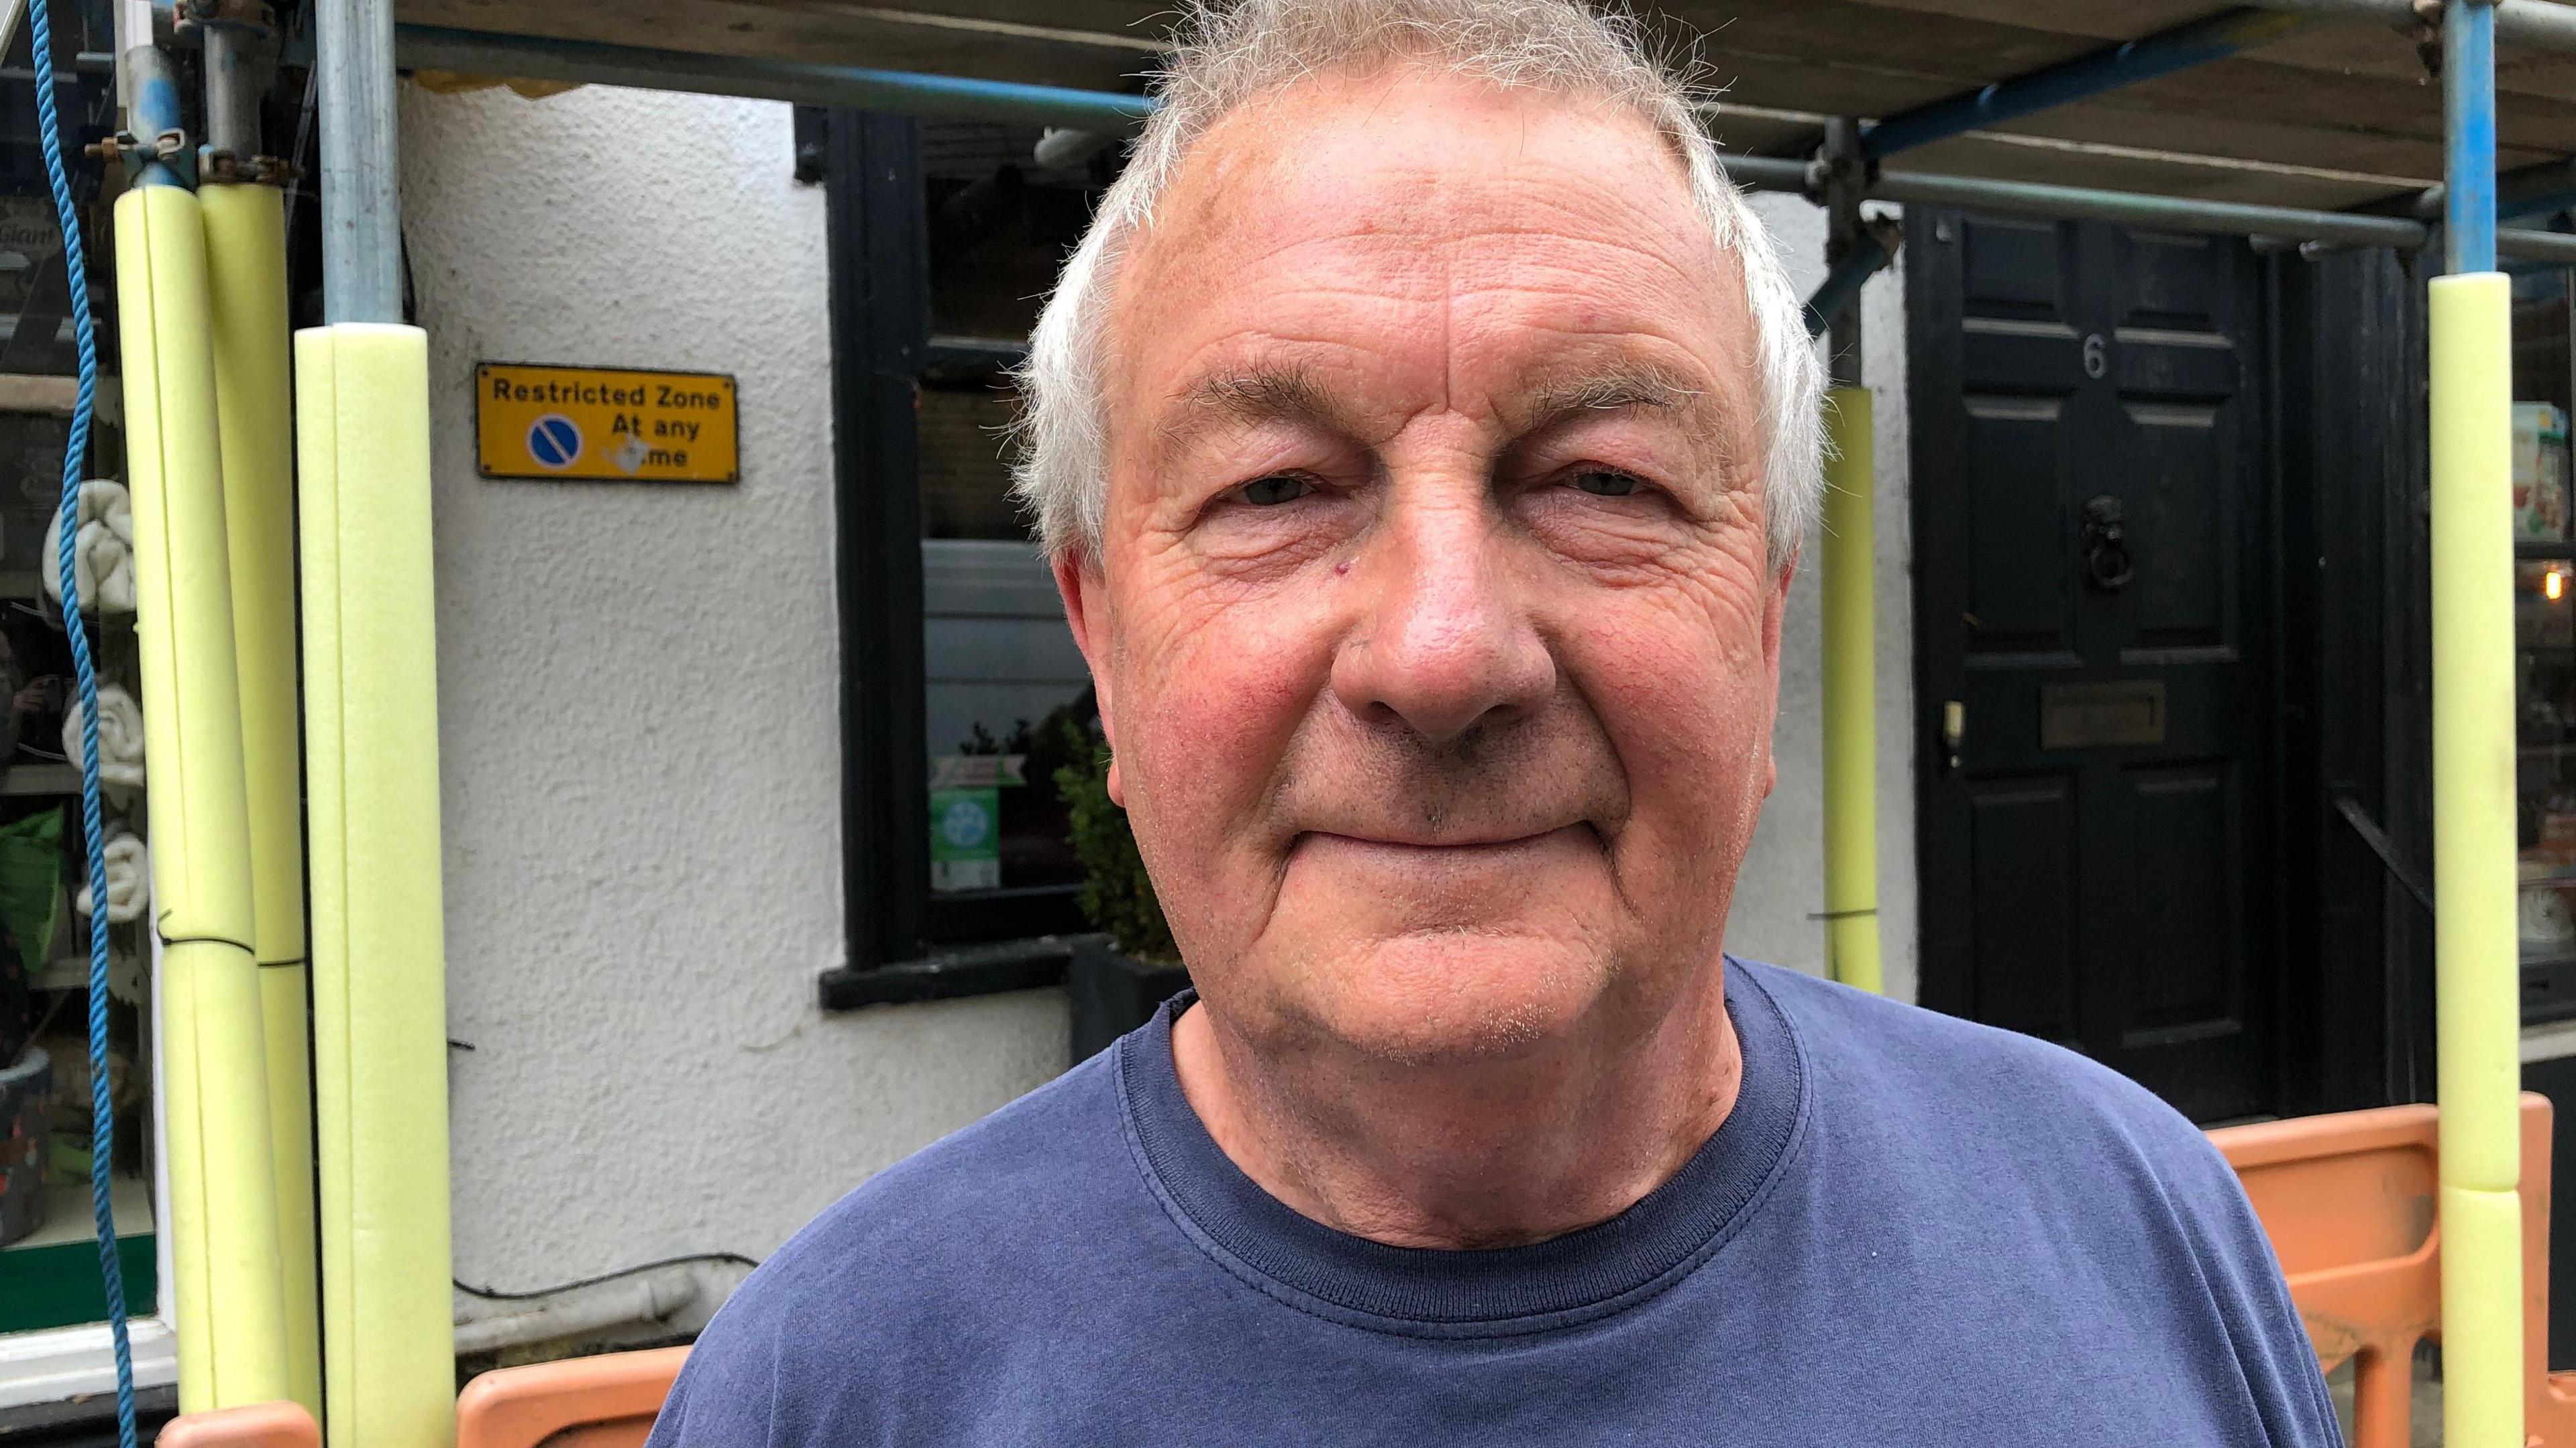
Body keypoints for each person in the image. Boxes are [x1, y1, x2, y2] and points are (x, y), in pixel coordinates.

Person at [647, 0, 2341, 1441]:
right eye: (1279, 488)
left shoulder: (2138, 1225)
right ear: (1102, 630)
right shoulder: (836, 1392)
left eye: (1606, 479)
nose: (1446, 653)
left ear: (1762, 613)